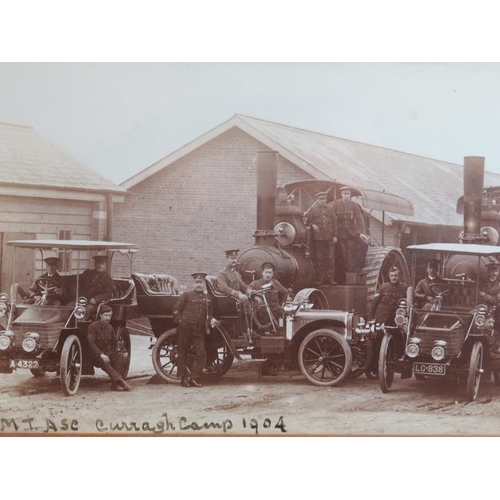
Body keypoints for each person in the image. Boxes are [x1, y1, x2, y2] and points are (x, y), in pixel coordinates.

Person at [173, 272, 218, 388]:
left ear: (204, 284)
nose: (199, 284)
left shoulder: (209, 299)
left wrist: (212, 320)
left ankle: (194, 377)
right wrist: (180, 321)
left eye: (201, 282)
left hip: (199, 331)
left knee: (201, 353)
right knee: (182, 353)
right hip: (185, 328)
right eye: (197, 282)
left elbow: (210, 314)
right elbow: (176, 310)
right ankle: (183, 379)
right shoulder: (186, 295)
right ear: (193, 283)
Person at [87, 305, 131, 391]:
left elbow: (115, 343)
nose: (108, 318)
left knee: (121, 356)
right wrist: (101, 354)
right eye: (106, 315)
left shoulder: (110, 327)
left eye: (109, 315)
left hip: (107, 353)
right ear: (100, 315)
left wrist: (123, 351)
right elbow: (91, 343)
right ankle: (120, 381)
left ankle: (115, 384)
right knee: (105, 360)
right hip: (95, 356)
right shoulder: (93, 327)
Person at [330, 186, 369, 281]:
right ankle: (343, 275)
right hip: (340, 232)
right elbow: (332, 219)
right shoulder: (336, 204)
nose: (346, 196)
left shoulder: (354, 205)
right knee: (343, 254)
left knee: (364, 244)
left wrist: (361, 233)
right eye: (344, 194)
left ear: (350, 195)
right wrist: (334, 233)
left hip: (352, 231)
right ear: (341, 194)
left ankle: (358, 267)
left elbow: (359, 220)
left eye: (348, 194)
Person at [304, 191, 338, 286]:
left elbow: (335, 223)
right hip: (318, 238)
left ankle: (330, 279)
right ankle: (321, 279)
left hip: (330, 238)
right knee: (320, 259)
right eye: (320, 199)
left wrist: (335, 235)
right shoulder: (313, 210)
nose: (322, 201)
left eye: (324, 199)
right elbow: (308, 223)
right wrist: (313, 225)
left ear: (326, 200)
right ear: (317, 200)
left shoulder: (330, 209)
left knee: (330, 258)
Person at [216, 249, 252, 333]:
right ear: (227, 259)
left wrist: (248, 289)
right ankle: (246, 331)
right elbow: (223, 287)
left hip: (236, 299)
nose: (234, 260)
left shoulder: (236, 273)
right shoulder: (222, 274)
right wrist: (238, 294)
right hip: (228, 301)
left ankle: (252, 328)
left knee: (255, 303)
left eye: (235, 258)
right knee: (246, 304)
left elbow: (242, 285)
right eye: (232, 258)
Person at [249, 262, 289, 333]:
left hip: (275, 314)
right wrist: (255, 296)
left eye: (270, 272)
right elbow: (248, 291)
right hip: (262, 315)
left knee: (281, 328)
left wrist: (282, 305)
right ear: (262, 273)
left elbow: (285, 293)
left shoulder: (276, 283)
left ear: (272, 274)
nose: (268, 275)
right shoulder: (256, 283)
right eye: (266, 272)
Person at [79, 255, 114, 320]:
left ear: (105, 265)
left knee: (87, 310)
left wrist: (96, 299)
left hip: (95, 304)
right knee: (70, 306)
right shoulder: (88, 274)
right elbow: (79, 282)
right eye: (98, 263)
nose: (99, 266)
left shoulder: (108, 279)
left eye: (102, 263)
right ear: (95, 264)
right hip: (83, 300)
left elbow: (108, 294)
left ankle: (80, 326)